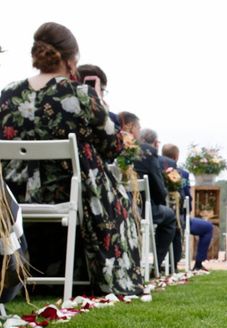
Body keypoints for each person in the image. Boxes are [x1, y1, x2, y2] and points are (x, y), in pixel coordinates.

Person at [0, 22, 143, 295]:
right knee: (119, 200)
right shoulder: (79, 94)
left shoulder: (8, 94)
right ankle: (98, 275)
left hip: (14, 194)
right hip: (69, 191)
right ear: (71, 58)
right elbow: (113, 146)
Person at [130, 124, 177, 270]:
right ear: (155, 142)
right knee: (170, 216)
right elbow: (159, 187)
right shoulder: (149, 153)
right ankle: (156, 263)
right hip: (144, 208)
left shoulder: (126, 150)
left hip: (121, 205)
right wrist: (162, 198)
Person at [161, 143, 213, 271]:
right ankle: (198, 264)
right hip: (178, 218)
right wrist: (187, 210)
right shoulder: (182, 174)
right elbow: (186, 199)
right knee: (207, 228)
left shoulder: (156, 172)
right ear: (176, 157)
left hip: (157, 216)